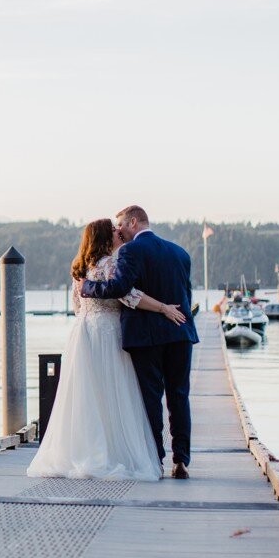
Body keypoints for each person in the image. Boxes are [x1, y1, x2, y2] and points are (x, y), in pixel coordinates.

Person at [27, 218, 185, 481]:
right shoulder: (111, 264)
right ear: (103, 237)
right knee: (115, 393)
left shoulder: (78, 269)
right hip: (108, 332)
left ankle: (82, 451)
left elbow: (77, 307)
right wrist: (163, 307)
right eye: (113, 230)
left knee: (85, 396)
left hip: (83, 333)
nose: (118, 232)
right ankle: (114, 454)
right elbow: (129, 296)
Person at [77, 205, 200, 479]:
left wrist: (88, 287)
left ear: (133, 222)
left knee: (151, 399)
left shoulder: (130, 252)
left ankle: (155, 458)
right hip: (180, 333)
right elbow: (187, 295)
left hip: (147, 337)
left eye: (120, 224)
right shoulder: (181, 252)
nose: (118, 230)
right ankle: (181, 460)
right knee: (179, 397)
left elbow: (121, 289)